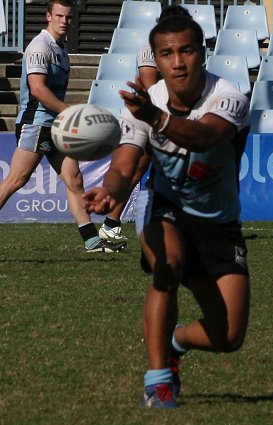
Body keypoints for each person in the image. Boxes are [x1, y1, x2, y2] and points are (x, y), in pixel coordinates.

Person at [82, 15, 250, 408]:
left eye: (186, 51)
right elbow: (125, 164)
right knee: (166, 268)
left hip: (219, 223)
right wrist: (109, 191)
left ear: (202, 53)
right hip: (167, 207)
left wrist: (155, 118)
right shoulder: (147, 104)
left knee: (229, 337)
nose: (177, 62)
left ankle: (174, 340)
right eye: (167, 53)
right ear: (155, 59)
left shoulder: (228, 97)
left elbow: (206, 136)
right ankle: (158, 381)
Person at [0, 0, 126, 253]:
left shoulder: (60, 48)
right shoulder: (39, 46)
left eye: (68, 17)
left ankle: (92, 241)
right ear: (48, 16)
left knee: (74, 179)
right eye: (59, 16)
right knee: (17, 180)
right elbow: (37, 88)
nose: (64, 21)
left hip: (56, 125)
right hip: (36, 124)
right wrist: (69, 112)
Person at [99, 5, 192, 242]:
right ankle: (111, 224)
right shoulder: (150, 50)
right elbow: (152, 89)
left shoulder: (186, 51)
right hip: (145, 117)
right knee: (133, 170)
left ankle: (125, 222)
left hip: (166, 117)